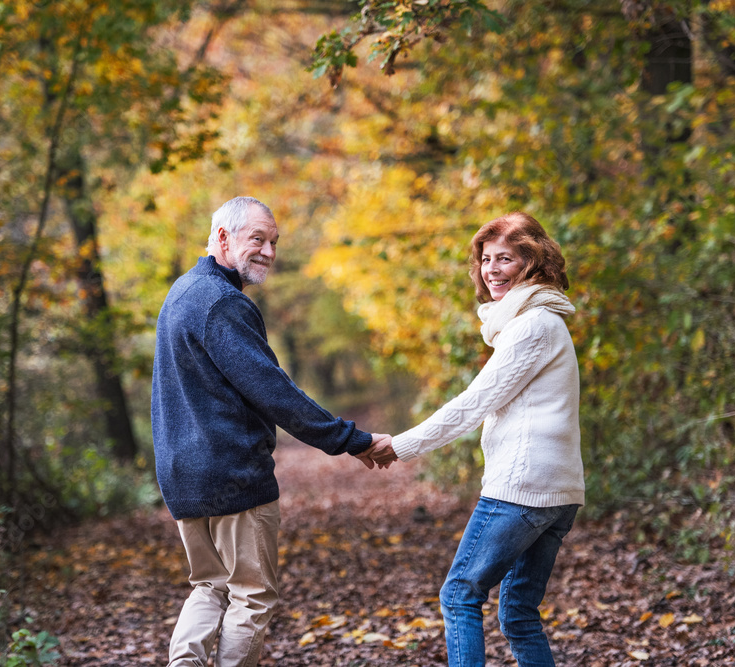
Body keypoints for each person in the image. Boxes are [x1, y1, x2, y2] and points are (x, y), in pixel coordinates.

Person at [151, 196, 393, 667]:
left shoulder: (182, 291)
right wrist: (350, 440)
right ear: (222, 238)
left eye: (273, 242)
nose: (267, 251)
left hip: (182, 475)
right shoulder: (222, 303)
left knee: (209, 586)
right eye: (256, 238)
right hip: (230, 474)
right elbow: (273, 391)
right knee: (251, 595)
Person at [371, 211, 585, 667]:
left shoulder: (532, 327)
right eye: (486, 259)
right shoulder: (540, 322)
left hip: (524, 488)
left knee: (460, 594)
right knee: (519, 614)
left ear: (533, 262)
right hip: (556, 490)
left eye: (505, 259)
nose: (491, 270)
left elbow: (473, 404)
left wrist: (401, 446)